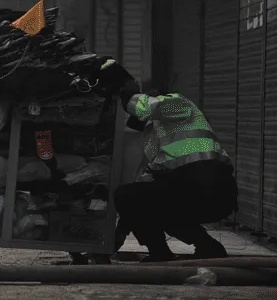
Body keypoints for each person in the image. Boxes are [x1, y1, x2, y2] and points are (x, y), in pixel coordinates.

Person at [98, 61, 239, 262]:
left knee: (152, 199)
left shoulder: (178, 103)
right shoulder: (159, 140)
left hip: (212, 187)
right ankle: (188, 250)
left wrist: (127, 94)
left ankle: (179, 249)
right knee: (131, 196)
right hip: (188, 191)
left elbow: (148, 108)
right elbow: (136, 196)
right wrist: (117, 236)